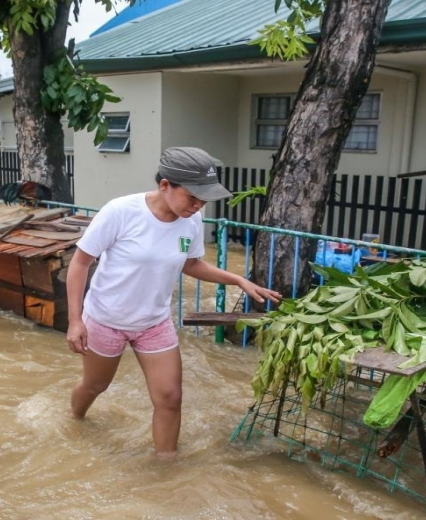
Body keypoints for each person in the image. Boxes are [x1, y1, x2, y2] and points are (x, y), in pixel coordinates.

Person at [66, 146, 282, 459]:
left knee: (170, 398)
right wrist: (76, 320)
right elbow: (80, 263)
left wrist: (238, 279)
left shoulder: (190, 220)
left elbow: (191, 264)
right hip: (106, 319)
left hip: (154, 322)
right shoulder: (121, 211)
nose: (198, 206)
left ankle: (165, 466)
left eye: (203, 199)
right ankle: (75, 419)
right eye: (192, 197)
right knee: (94, 386)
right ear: (165, 185)